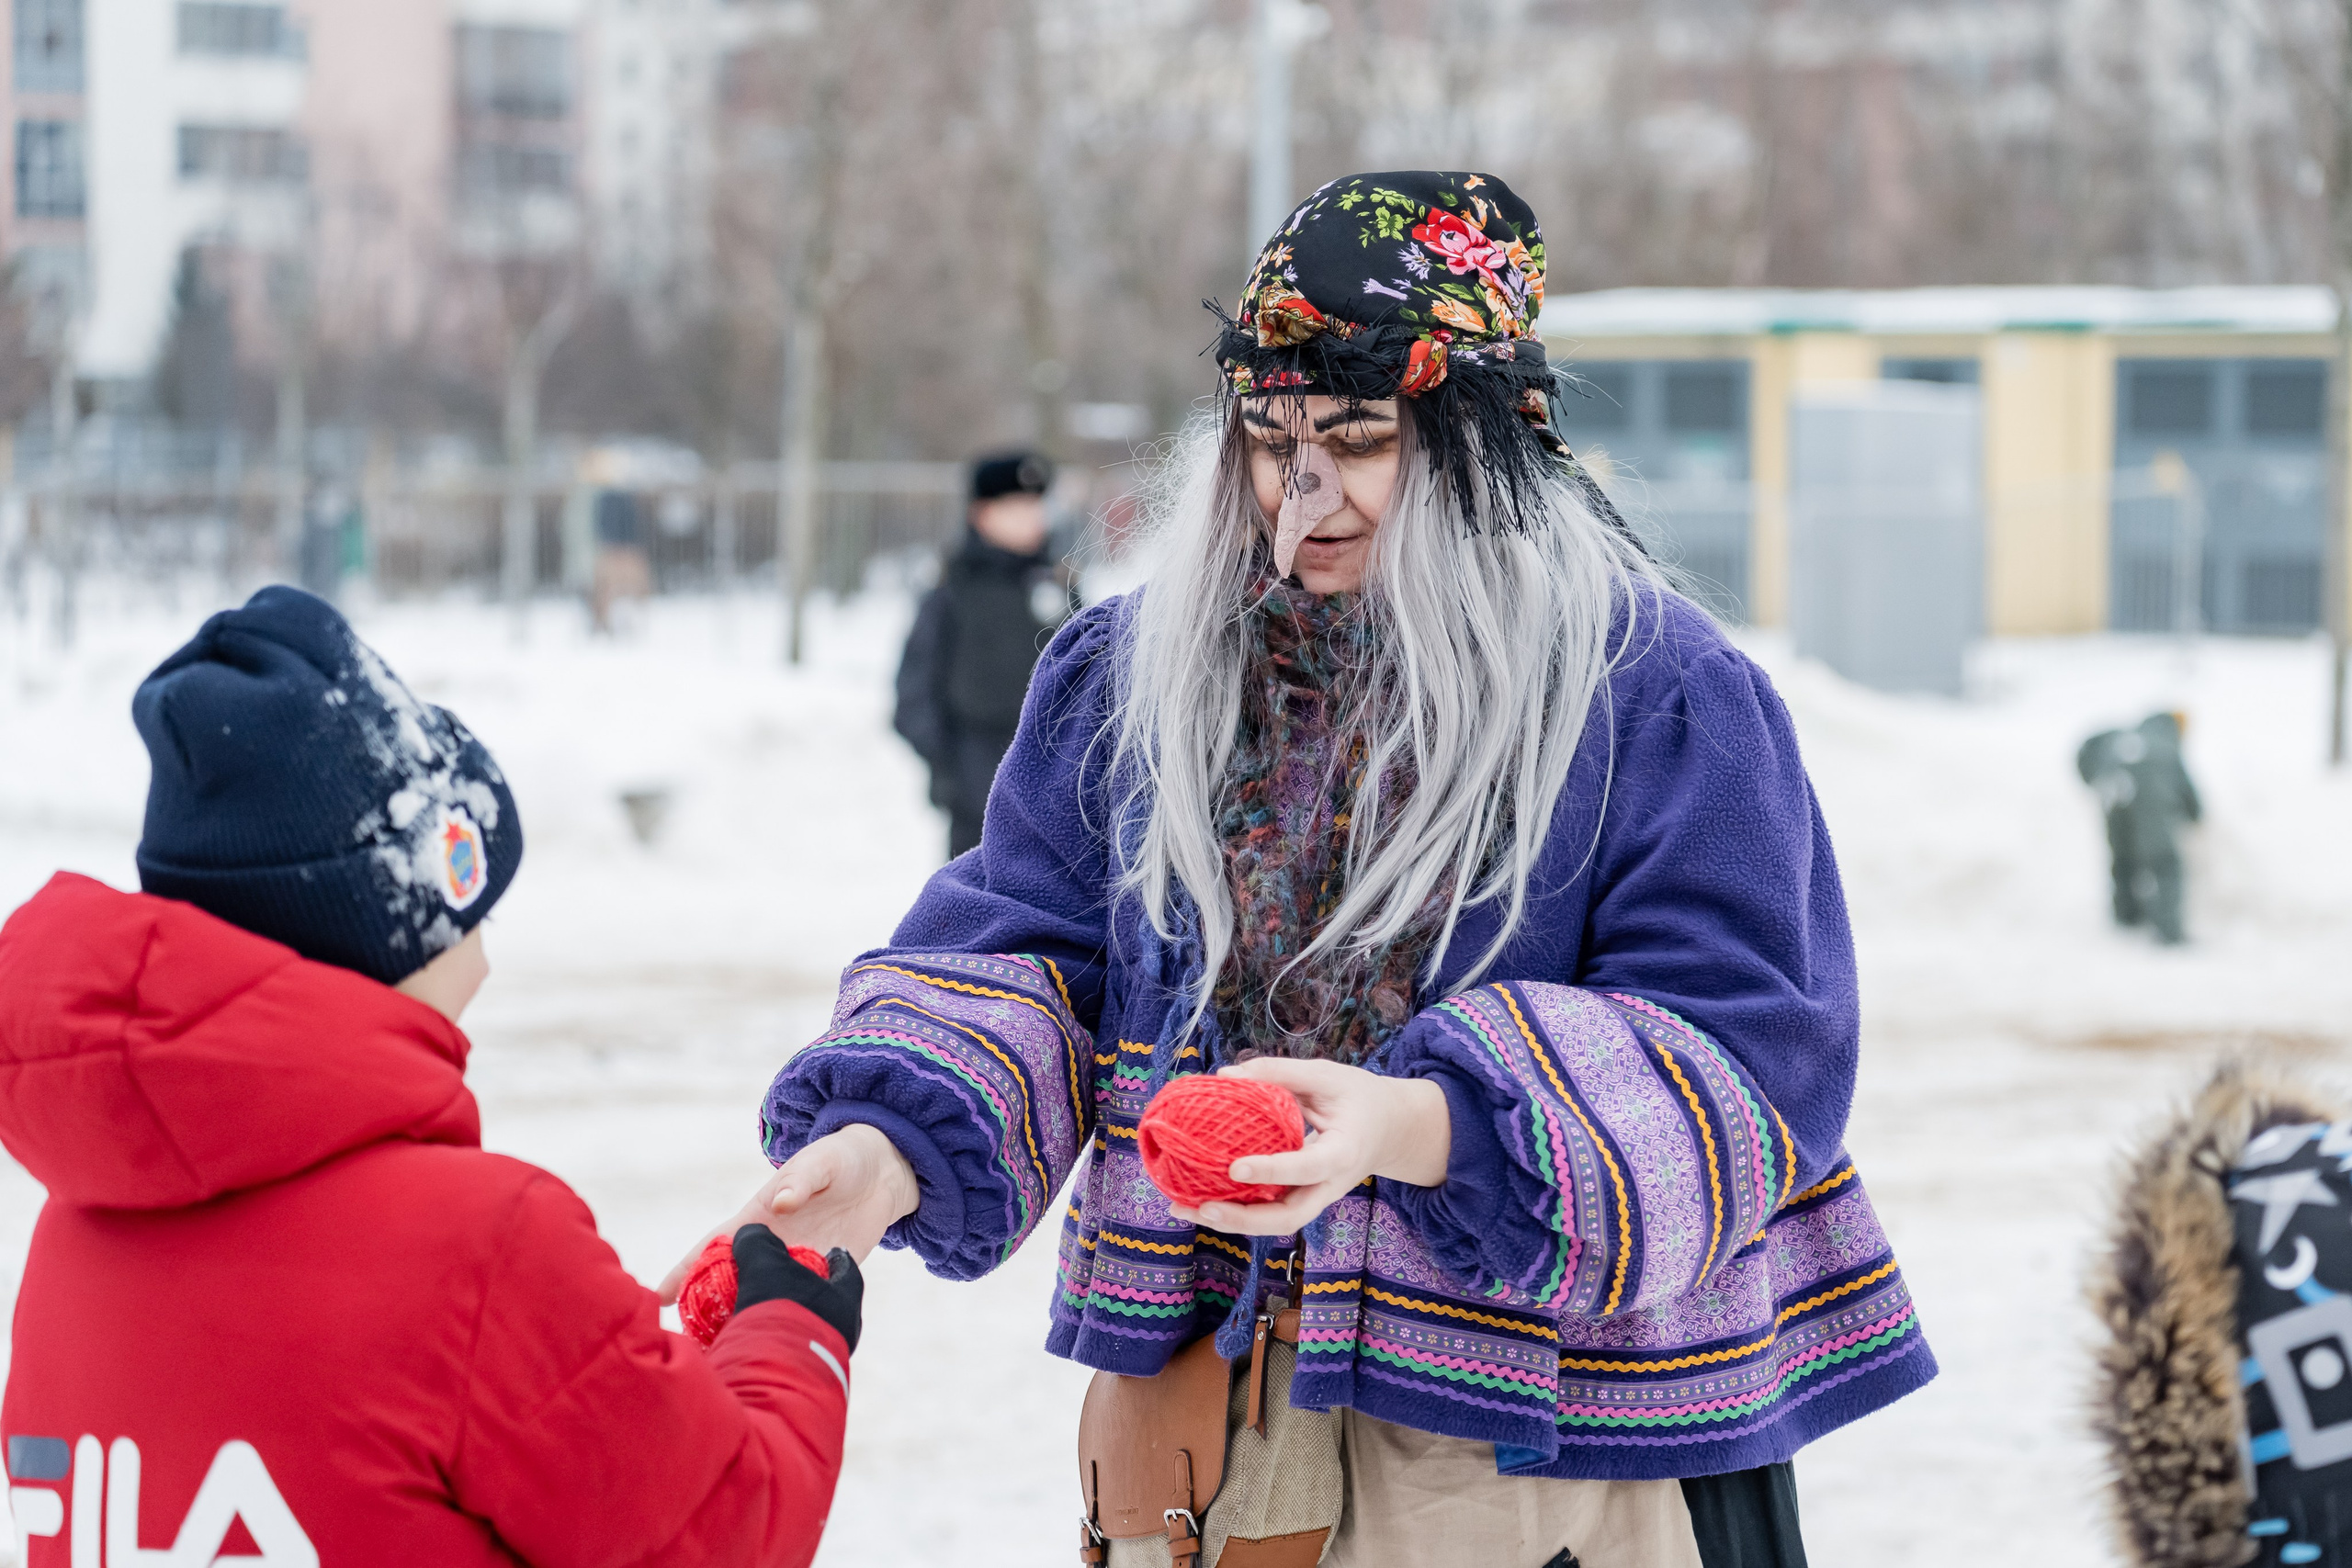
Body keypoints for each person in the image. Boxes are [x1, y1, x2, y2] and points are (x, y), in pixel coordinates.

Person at [691, 172, 1933, 1566]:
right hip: (1213, 1422)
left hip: (1536, 1451)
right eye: (1271, 439)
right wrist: (886, 1147)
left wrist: (1418, 1124)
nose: (1306, 491)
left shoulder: (1654, 694)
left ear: (1483, 443)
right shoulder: (1131, 674)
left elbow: (1757, 1053)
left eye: (1359, 436)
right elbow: (1031, 949)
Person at [0, 587, 862, 1568]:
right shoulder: (480, 1250)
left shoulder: (74, 1239)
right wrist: (795, 1331)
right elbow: (728, 1533)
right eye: (474, 895)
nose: (488, 939)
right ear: (395, 918)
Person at [894, 450, 1074, 857]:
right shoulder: (952, 592)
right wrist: (955, 774)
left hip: (1059, 801)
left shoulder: (1061, 586)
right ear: (982, 514)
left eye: (1035, 505)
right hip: (977, 799)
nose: (1030, 518)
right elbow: (912, 696)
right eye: (1015, 507)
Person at [2076, 710, 2201, 944]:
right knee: (2164, 862)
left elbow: (2086, 752)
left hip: (2113, 795)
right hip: (2149, 802)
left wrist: (2090, 781)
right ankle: (2169, 932)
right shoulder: (2164, 741)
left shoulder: (2124, 735)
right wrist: (2196, 815)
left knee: (2123, 860)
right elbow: (2185, 788)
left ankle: (2126, 919)